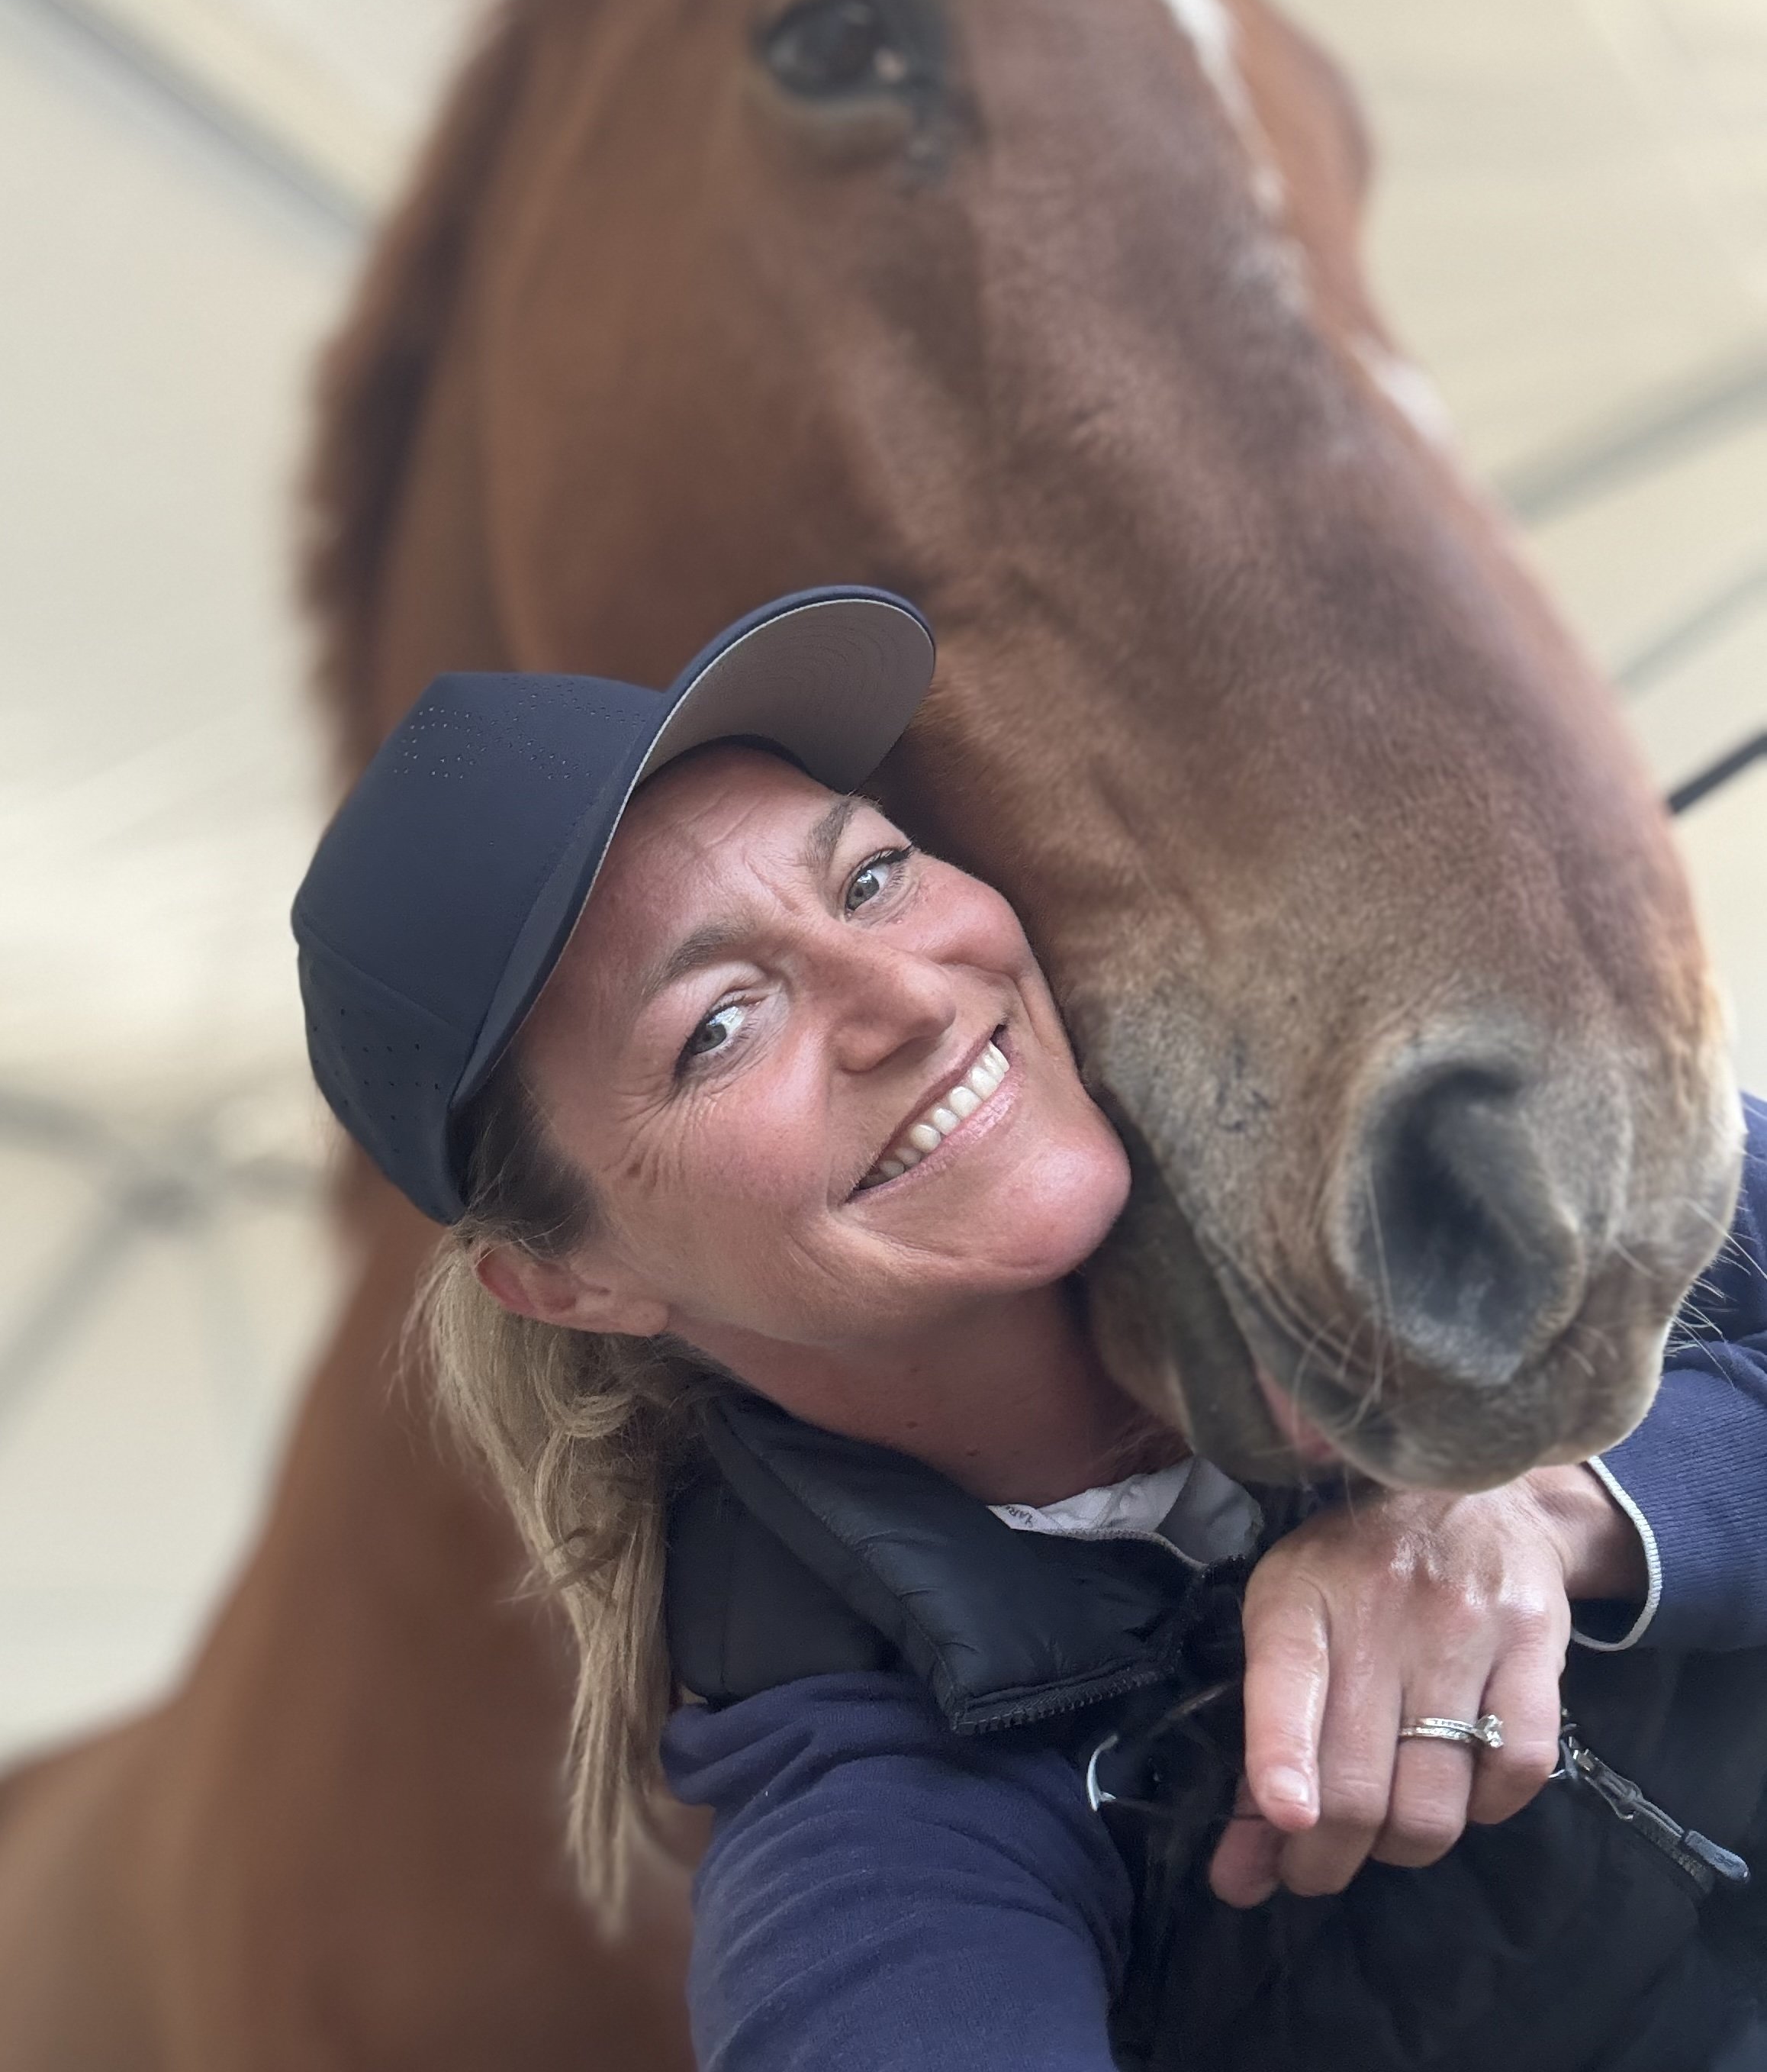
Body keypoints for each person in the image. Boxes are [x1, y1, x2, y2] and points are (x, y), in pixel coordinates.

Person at [293, 588, 1767, 2072]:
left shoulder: (1450, 1143)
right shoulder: (878, 1839)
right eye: (719, 1026)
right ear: (571, 1282)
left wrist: (1556, 1503)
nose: (906, 998)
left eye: (868, 876)